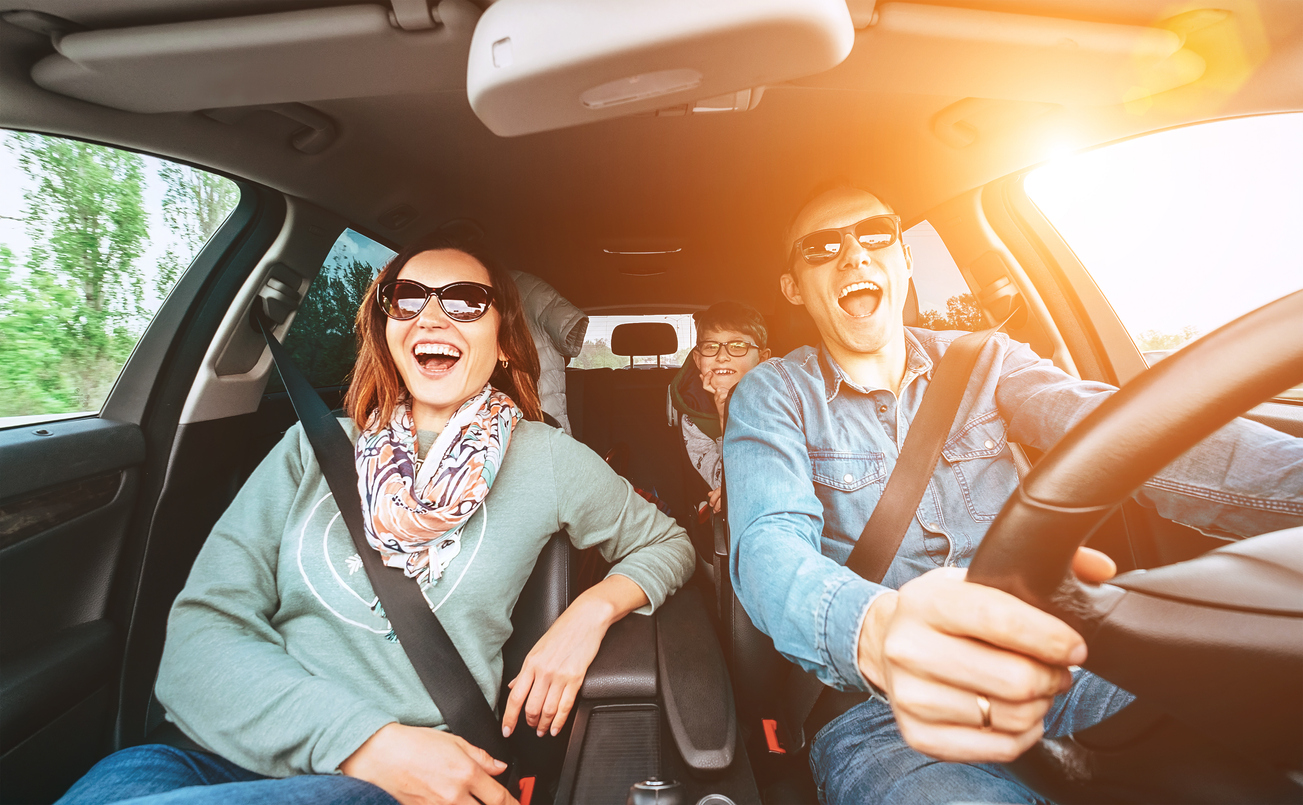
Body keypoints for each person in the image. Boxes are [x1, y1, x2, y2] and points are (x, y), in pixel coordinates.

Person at [57, 232, 696, 805]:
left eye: (465, 301)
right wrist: (362, 739)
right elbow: (199, 641)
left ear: (503, 341)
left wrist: (588, 614)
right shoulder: (311, 448)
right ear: (386, 330)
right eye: (407, 298)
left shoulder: (548, 459)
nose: (433, 316)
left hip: (396, 783)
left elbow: (667, 543)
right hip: (201, 758)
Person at [722, 185, 1303, 805]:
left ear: (905, 258)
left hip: (1064, 666)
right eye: (823, 246)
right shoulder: (773, 393)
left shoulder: (986, 361)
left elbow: (1128, 435)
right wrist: (880, 632)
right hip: (886, 715)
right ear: (793, 288)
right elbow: (767, 545)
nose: (855, 256)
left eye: (875, 235)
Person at [670, 302, 770, 515]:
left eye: (737, 346)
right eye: (710, 346)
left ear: (762, 359)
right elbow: (722, 481)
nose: (722, 356)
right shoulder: (694, 416)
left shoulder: (782, 403)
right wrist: (726, 417)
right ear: (698, 360)